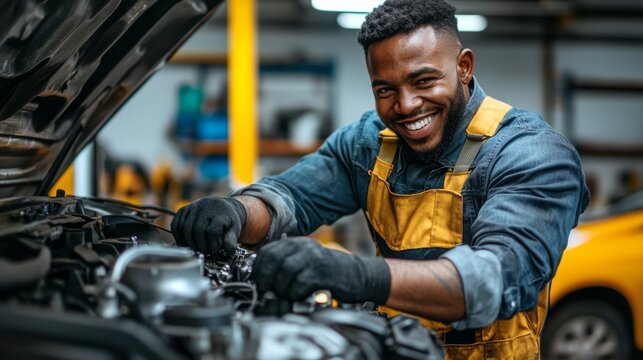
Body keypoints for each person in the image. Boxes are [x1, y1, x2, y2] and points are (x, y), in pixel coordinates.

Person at [172, 0, 590, 358]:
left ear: (463, 67)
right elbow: (291, 198)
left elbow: (494, 280)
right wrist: (234, 211)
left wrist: (353, 275)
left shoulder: (532, 154)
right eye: (385, 89)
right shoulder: (369, 143)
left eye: (423, 80)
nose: (406, 105)